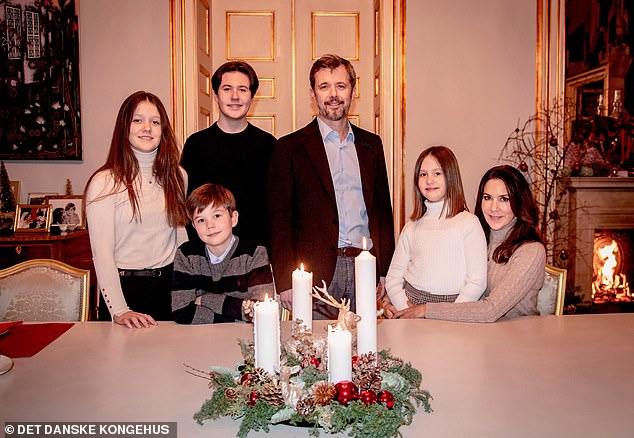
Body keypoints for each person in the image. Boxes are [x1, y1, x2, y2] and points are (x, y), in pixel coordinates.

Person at [268, 54, 395, 319]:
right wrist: (284, 280)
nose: (333, 94)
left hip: (365, 267)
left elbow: (382, 212)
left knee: (366, 351)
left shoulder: (372, 144)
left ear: (353, 90)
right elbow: (279, 220)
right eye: (324, 86)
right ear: (313, 93)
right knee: (313, 354)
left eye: (340, 85)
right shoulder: (289, 148)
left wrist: (384, 270)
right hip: (314, 274)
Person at [384, 165, 546, 322]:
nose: (493, 207)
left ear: (519, 202)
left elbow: (490, 310)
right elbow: (426, 273)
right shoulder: (477, 234)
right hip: (475, 332)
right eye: (487, 198)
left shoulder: (531, 251)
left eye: (504, 199)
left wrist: (425, 310)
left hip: (517, 338)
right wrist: (389, 303)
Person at [85, 91, 188, 329]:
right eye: (137, 120)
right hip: (124, 291)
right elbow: (103, 254)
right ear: (125, 126)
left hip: (168, 289)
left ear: (163, 130)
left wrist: (189, 286)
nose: (147, 128)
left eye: (155, 122)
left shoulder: (178, 177)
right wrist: (120, 310)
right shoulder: (104, 183)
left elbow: (179, 237)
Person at [181, 61, 275, 247]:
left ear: (252, 96)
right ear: (215, 95)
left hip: (256, 255)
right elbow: (187, 207)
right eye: (227, 89)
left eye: (242, 89)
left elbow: (275, 209)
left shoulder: (269, 145)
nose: (235, 97)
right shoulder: (196, 145)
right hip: (208, 254)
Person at [385, 146, 487, 310]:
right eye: (423, 174)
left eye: (437, 173)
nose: (429, 180)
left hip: (453, 305)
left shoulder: (468, 223)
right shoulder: (412, 226)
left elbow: (477, 282)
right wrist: (404, 309)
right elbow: (393, 278)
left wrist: (450, 313)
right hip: (411, 302)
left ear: (451, 176)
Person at [171, 184, 273, 324]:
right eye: (201, 220)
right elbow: (181, 312)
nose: (210, 225)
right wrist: (234, 315)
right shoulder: (186, 255)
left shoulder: (254, 253)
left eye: (217, 215)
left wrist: (207, 300)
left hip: (244, 337)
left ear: (233, 218)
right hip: (201, 337)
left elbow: (262, 311)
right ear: (194, 226)